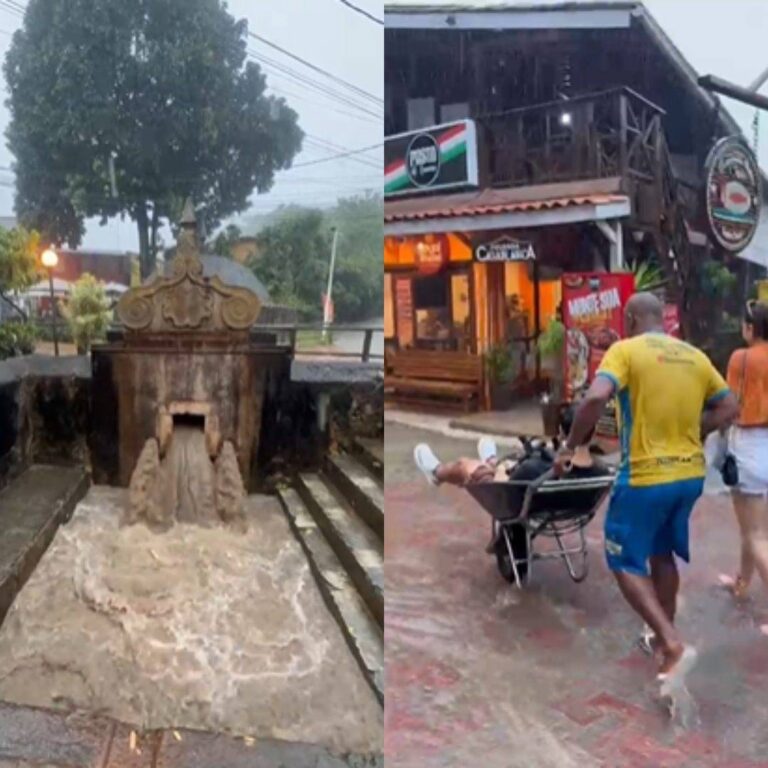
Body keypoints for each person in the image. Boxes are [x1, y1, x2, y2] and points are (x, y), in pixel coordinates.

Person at [554, 292, 739, 692]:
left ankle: (672, 643)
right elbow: (729, 408)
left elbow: (596, 397)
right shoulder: (694, 355)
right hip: (690, 476)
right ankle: (660, 637)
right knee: (661, 551)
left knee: (621, 559)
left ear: (632, 318)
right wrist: (695, 426)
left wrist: (570, 446)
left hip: (645, 475)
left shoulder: (625, 350)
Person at [718, 300, 768, 629]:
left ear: (750, 328)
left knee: (756, 534)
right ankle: (742, 582)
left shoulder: (742, 358)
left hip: (748, 443)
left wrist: (718, 434)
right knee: (752, 530)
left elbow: (728, 403)